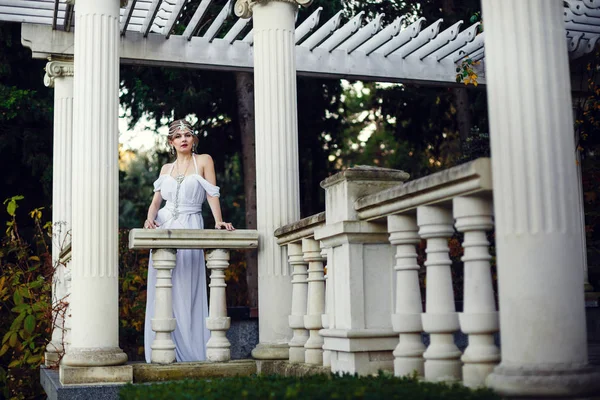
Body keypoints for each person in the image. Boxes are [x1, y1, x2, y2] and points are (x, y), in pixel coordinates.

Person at [143, 119, 234, 363]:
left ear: (193, 139)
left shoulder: (204, 160)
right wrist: (150, 221)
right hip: (165, 227)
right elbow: (155, 204)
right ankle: (164, 347)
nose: (183, 139)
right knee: (165, 287)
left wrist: (218, 222)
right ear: (171, 143)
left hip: (192, 223)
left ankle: (191, 348)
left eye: (188, 135)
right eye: (178, 136)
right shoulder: (165, 169)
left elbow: (211, 194)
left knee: (187, 287)